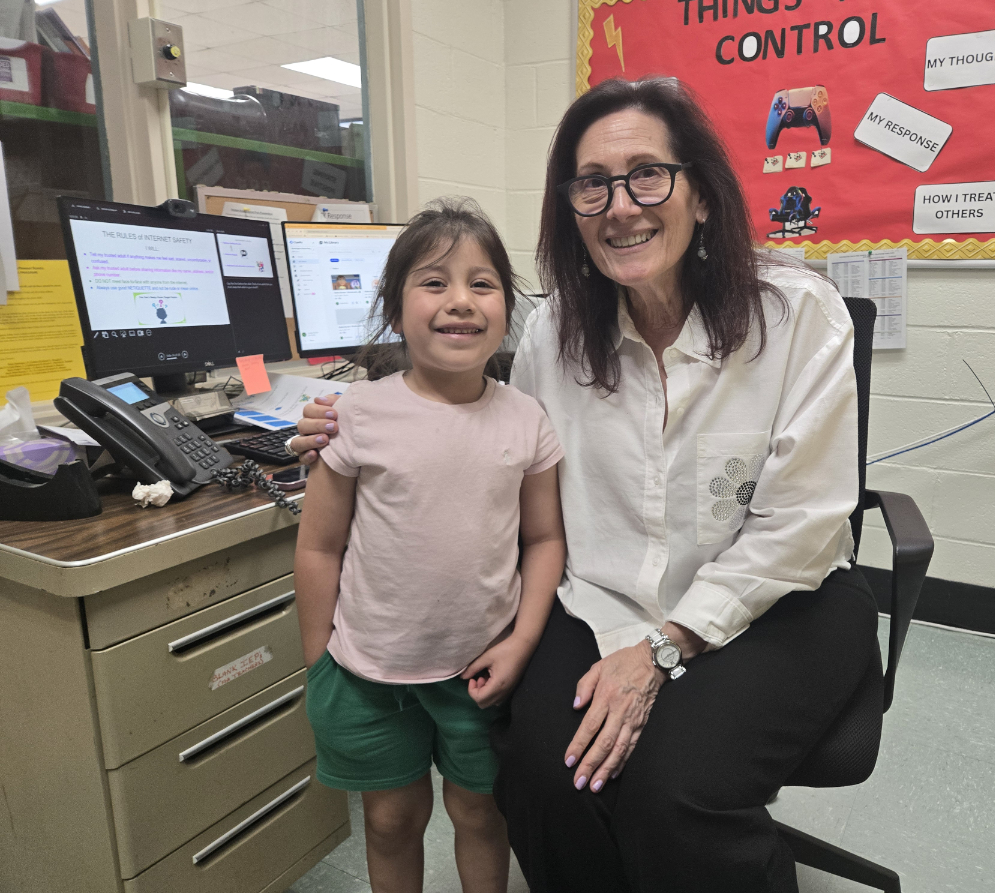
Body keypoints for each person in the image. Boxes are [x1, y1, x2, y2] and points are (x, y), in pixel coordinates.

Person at [291, 77, 879, 893]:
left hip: (775, 601)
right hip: (601, 596)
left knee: (673, 790)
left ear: (701, 195)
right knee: (541, 770)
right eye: (592, 184)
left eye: (647, 175)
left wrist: (665, 649)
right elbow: (494, 445)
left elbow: (804, 526)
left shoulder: (796, 315)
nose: (620, 205)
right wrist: (344, 420)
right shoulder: (556, 331)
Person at [294, 198, 566, 893]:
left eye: (483, 284)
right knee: (389, 820)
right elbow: (320, 547)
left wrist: (524, 640)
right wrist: (320, 660)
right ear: (394, 305)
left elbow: (543, 539)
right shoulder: (352, 416)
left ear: (508, 306)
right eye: (434, 282)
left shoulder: (527, 419)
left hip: (481, 671)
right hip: (366, 673)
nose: (460, 302)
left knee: (480, 813)